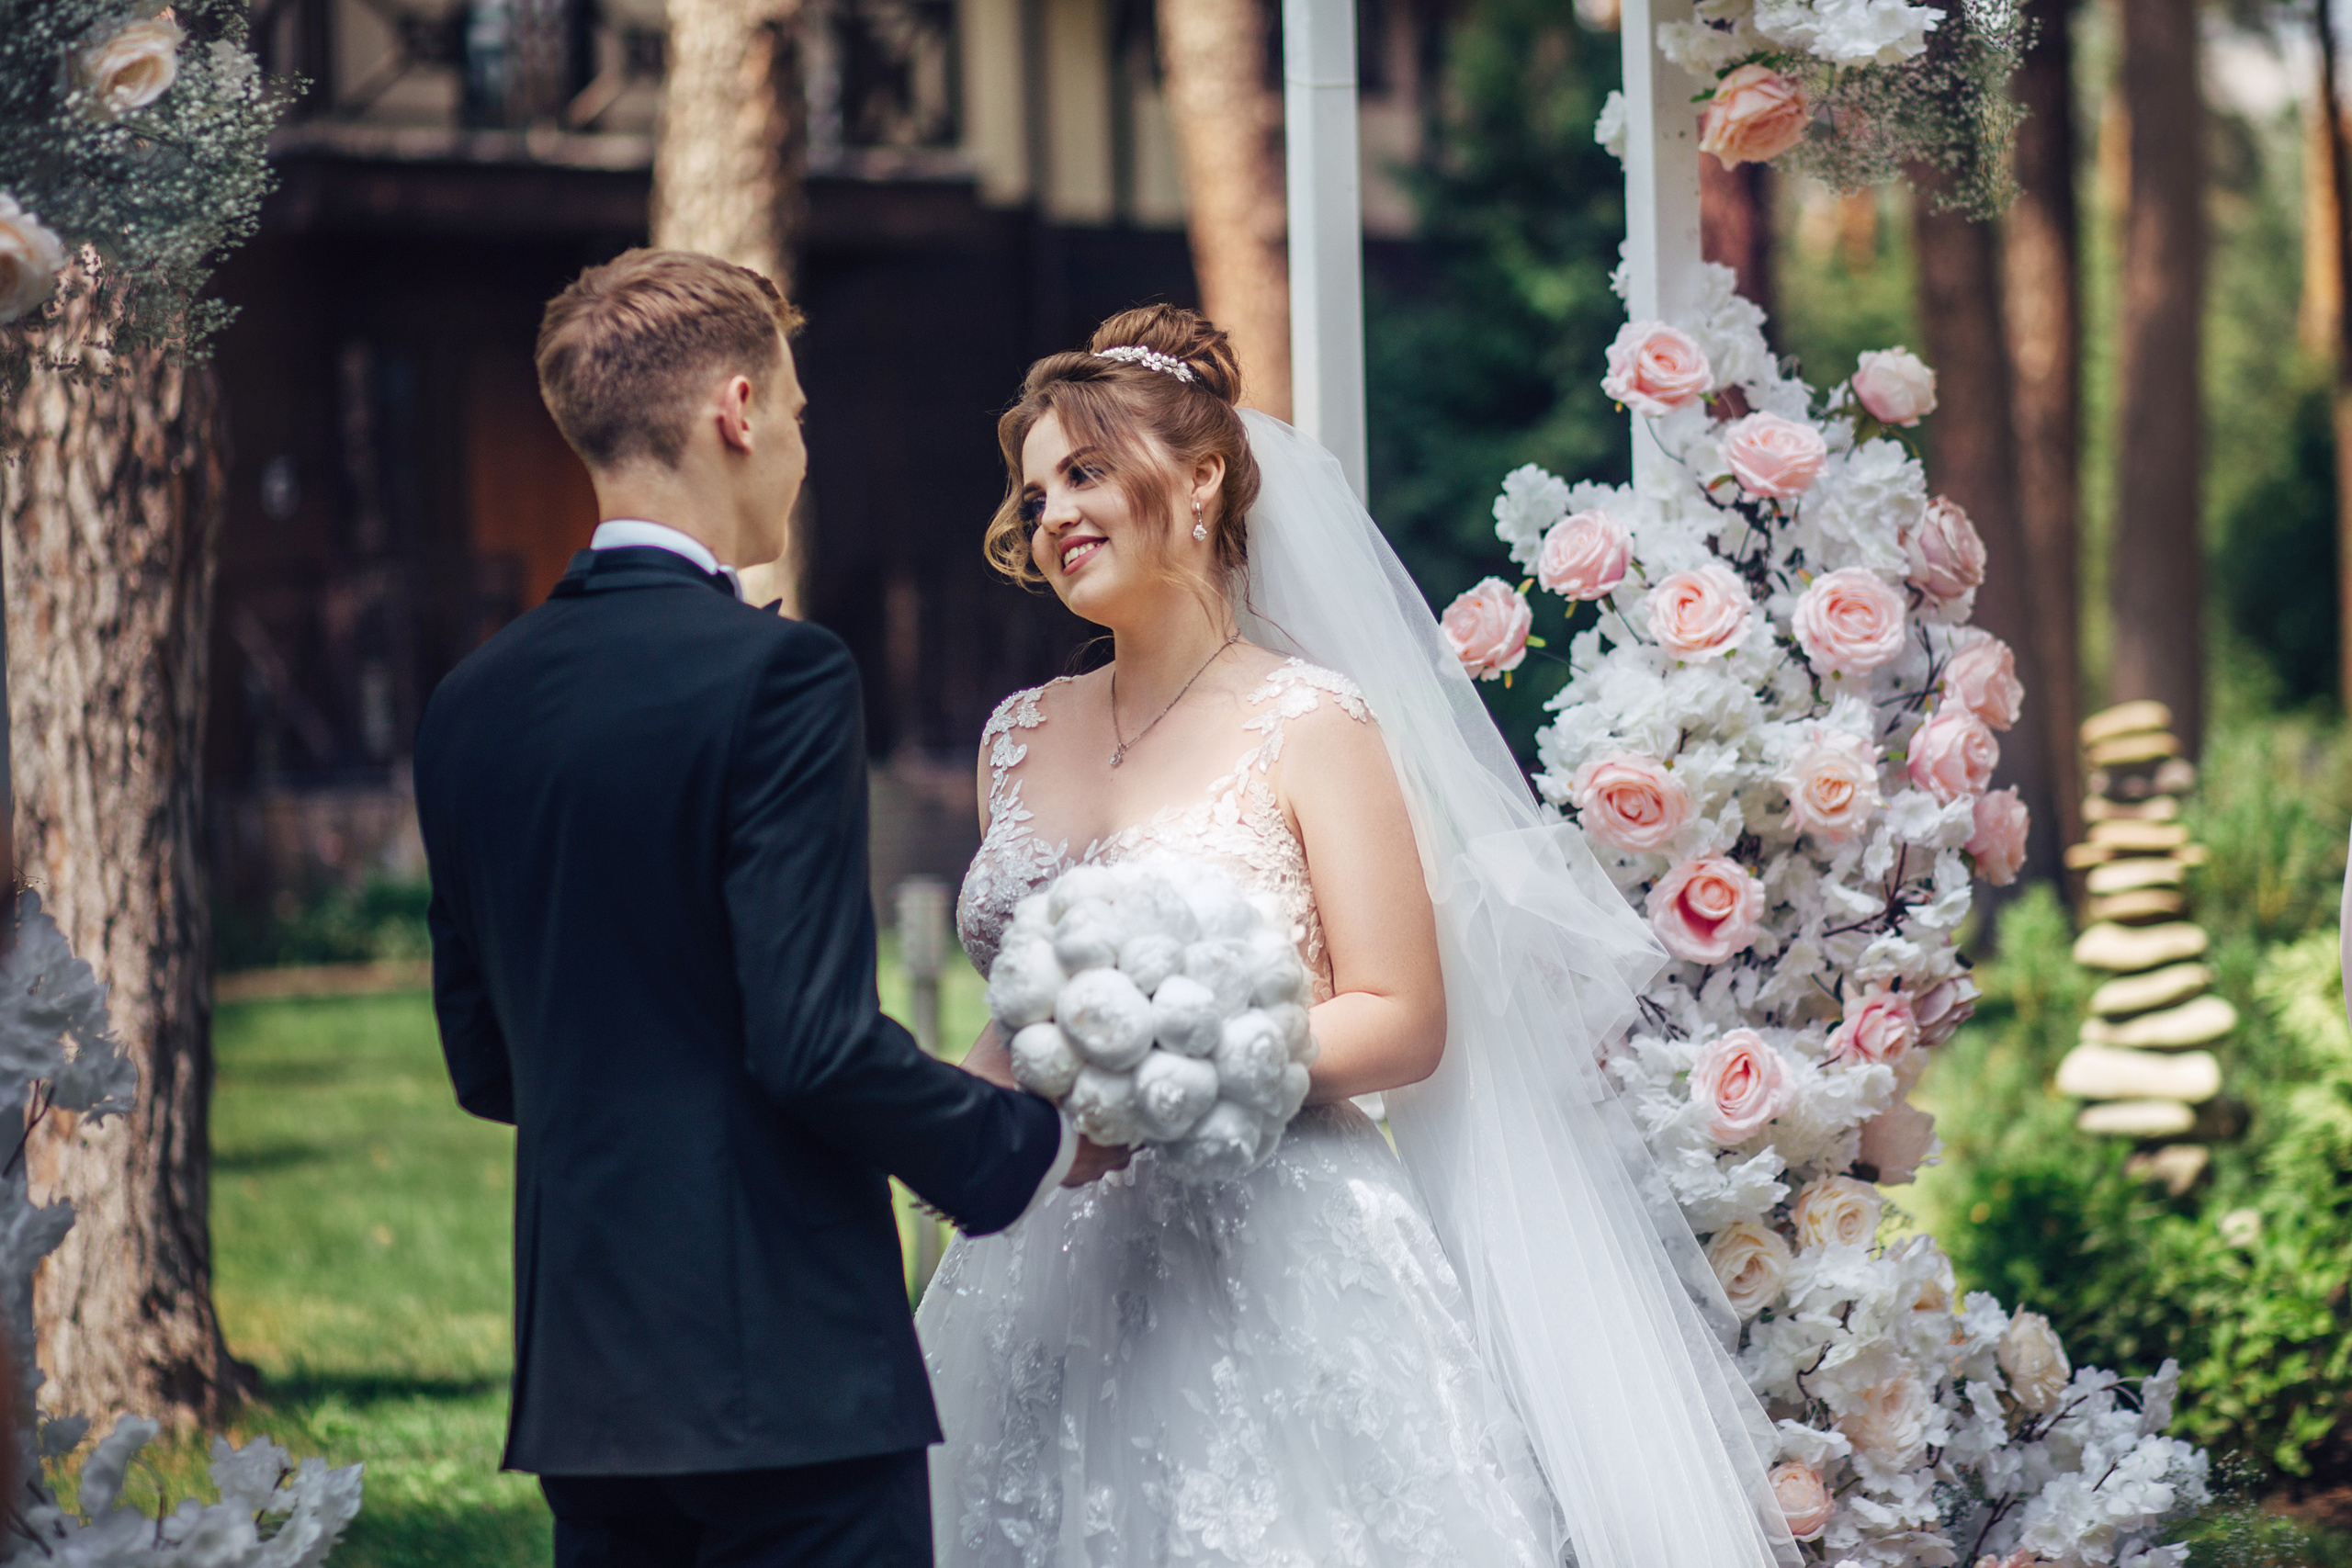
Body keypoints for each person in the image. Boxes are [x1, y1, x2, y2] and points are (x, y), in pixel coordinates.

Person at [920, 307, 1802, 1568]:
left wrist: (1173, 1075)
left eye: (1087, 472)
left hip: (1271, 1249)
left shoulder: (1312, 721)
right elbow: (1022, 1017)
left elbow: (1400, 1015)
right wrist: (948, 1121)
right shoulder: (1017, 736)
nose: (1054, 512)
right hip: (1038, 1261)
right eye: (1036, 490)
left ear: (1202, 479)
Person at [413, 248, 1118, 1568]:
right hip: (789, 1376)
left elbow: (487, 1062)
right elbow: (813, 1045)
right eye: (796, 412)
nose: (799, 448)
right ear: (737, 410)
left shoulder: (469, 702)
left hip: (588, 1389)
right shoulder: (778, 677)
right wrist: (1025, 1146)